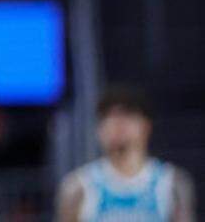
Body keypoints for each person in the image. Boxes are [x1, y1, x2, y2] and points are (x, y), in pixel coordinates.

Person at [57, 85, 196, 222]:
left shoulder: (170, 183)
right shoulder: (78, 186)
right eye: (108, 117)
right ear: (98, 130)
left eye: (127, 115)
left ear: (146, 126)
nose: (117, 123)